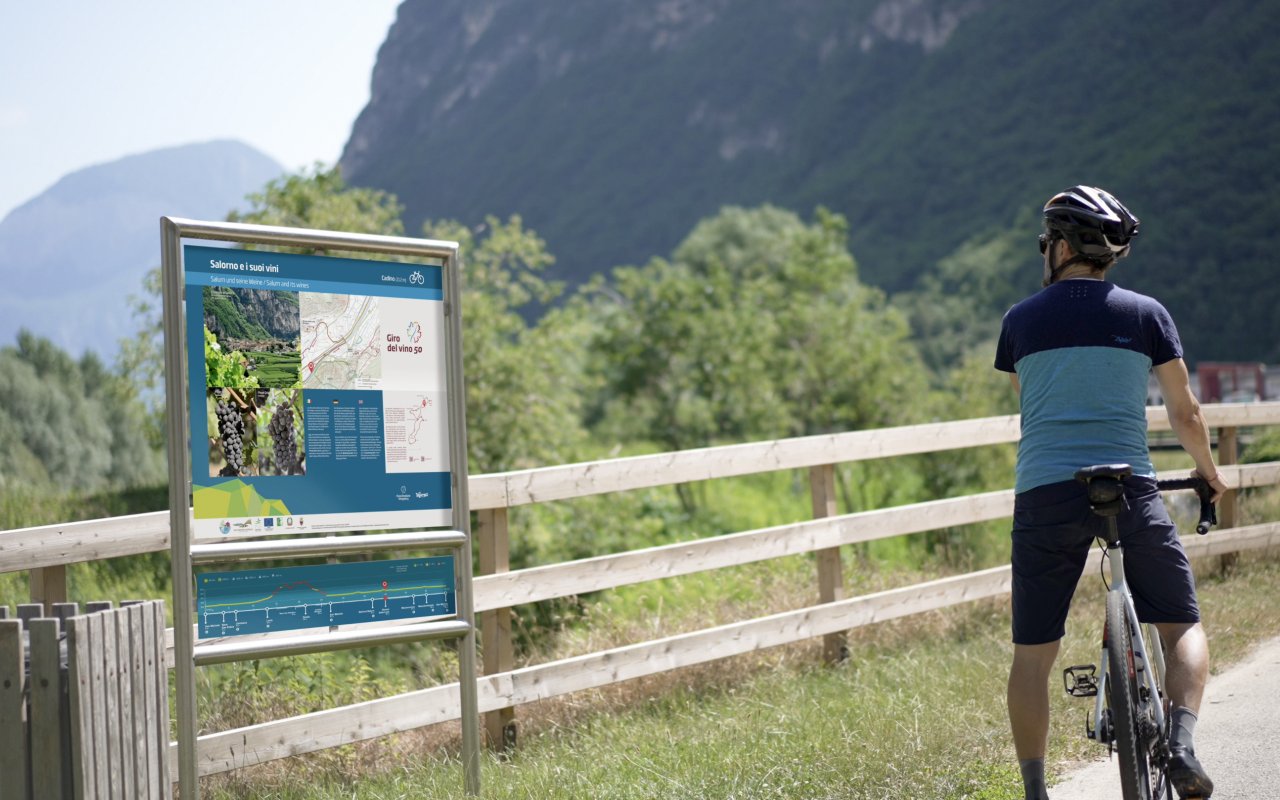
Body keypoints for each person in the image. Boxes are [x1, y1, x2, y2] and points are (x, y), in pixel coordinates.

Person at [994, 185, 1228, 800]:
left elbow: (1031, 404)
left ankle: (1035, 791)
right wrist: (1208, 471)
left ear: (1062, 246)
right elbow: (1186, 413)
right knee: (1181, 625)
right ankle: (1181, 746)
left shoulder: (1019, 321)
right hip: (1131, 487)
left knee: (1032, 655)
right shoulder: (1147, 315)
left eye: (1046, 242)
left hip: (1046, 493)